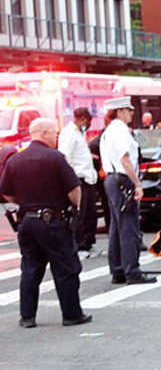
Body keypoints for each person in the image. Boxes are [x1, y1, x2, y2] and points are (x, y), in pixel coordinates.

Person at [0, 118, 91, 328]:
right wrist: (75, 207)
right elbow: (74, 189)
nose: (56, 137)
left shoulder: (15, 160)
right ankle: (71, 314)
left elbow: (5, 191)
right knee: (66, 267)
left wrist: (23, 203)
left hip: (27, 222)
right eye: (53, 133)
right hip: (53, 221)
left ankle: (27, 316)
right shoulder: (56, 158)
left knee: (31, 268)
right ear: (43, 133)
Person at [101, 96, 156, 285]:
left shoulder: (110, 130)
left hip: (113, 179)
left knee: (117, 228)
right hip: (123, 179)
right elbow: (125, 159)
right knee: (129, 228)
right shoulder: (120, 130)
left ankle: (118, 270)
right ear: (119, 111)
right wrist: (137, 183)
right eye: (129, 109)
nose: (132, 113)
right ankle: (132, 271)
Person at [58, 108, 99, 259]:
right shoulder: (69, 133)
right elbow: (66, 157)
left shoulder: (79, 133)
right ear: (82, 119)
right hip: (78, 178)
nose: (90, 124)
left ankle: (86, 243)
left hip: (87, 178)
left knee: (89, 213)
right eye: (89, 120)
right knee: (79, 214)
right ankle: (77, 245)